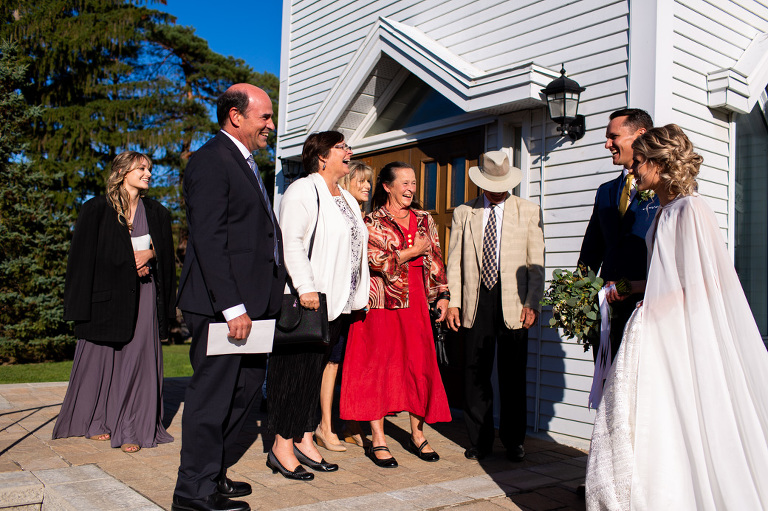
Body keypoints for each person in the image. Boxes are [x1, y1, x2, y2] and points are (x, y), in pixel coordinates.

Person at [585, 124, 768, 509]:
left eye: (639, 162)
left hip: (676, 331)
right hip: (654, 321)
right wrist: (631, 287)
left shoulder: (690, 210)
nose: (633, 169)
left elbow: (699, 284)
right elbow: (665, 276)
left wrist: (654, 305)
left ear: (659, 163)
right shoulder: (666, 211)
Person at [172, 84, 285, 511]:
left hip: (255, 305)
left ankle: (213, 472)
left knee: (246, 391)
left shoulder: (246, 164)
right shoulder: (210, 160)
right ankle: (192, 493)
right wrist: (232, 307)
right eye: (265, 116)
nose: (271, 125)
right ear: (236, 116)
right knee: (212, 397)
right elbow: (209, 238)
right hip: (223, 307)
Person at [53, 151, 175, 454]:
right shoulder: (95, 209)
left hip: (144, 295)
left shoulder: (158, 213)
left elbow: (168, 257)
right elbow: (82, 260)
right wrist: (79, 309)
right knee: (101, 361)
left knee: (138, 361)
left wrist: (151, 253)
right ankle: (97, 421)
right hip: (106, 297)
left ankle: (132, 427)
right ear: (122, 172)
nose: (148, 173)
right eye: (141, 168)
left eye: (149, 168)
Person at [269, 131, 370, 479]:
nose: (349, 151)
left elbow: (355, 249)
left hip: (339, 303)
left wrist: (359, 294)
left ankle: (305, 437)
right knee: (294, 374)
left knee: (313, 376)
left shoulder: (345, 197)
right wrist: (305, 286)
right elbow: (291, 241)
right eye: (342, 147)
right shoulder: (302, 190)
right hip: (310, 301)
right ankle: (281, 446)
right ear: (322, 156)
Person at [340, 161, 451, 468]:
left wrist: (442, 294)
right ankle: (378, 438)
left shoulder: (424, 218)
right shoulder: (371, 221)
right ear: (387, 187)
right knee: (377, 367)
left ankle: (418, 435)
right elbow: (373, 259)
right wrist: (411, 253)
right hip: (382, 304)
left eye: (413, 183)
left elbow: (436, 258)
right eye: (404, 183)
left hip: (417, 300)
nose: (410, 189)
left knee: (418, 364)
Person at [445, 151, 545, 462]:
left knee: (513, 374)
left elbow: (536, 263)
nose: (496, 191)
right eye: (491, 185)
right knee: (475, 373)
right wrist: (454, 302)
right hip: (476, 301)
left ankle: (514, 441)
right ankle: (480, 441)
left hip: (514, 302)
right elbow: (454, 262)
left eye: (501, 185)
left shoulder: (528, 211)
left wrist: (532, 302)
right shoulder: (465, 212)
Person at [578, 108, 659, 361]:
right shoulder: (605, 191)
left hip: (649, 310)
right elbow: (591, 251)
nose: (607, 144)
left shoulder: (665, 189)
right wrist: (580, 297)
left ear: (640, 135)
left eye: (613, 137)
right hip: (608, 312)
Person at [331, 159, 373, 449]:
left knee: (356, 364)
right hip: (340, 299)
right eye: (361, 181)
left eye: (369, 181)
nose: (367, 186)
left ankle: (351, 422)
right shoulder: (342, 213)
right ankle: (332, 423)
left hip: (361, 301)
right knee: (336, 362)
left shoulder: (366, 216)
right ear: (347, 184)